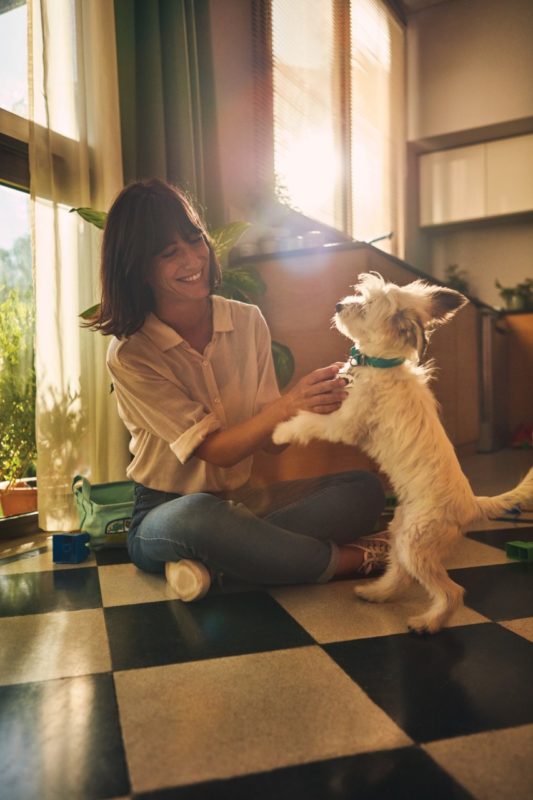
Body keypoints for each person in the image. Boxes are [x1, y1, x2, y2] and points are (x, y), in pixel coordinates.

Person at [92, 178, 388, 601]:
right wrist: (288, 405)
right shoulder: (132, 353)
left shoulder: (247, 321)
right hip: (165, 511)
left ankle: (227, 561)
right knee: (201, 517)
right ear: (140, 269)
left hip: (245, 503)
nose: (193, 258)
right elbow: (215, 449)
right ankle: (349, 559)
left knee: (363, 489)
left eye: (195, 241)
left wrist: (314, 407)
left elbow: (271, 446)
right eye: (170, 253)